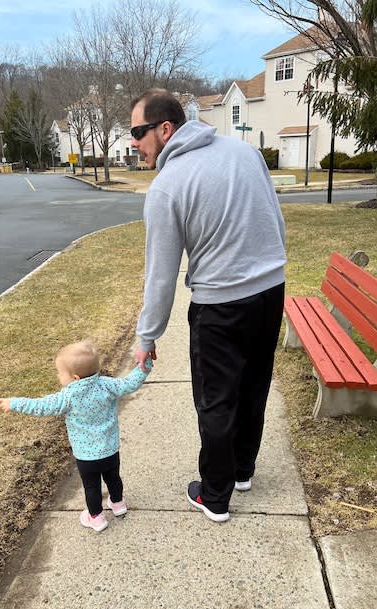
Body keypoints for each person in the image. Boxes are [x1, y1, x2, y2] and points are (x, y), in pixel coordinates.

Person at [131, 88, 286, 523]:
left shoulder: (167, 187)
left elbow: (161, 275)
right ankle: (241, 471)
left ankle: (215, 496)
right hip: (271, 290)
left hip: (220, 306)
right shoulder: (244, 153)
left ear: (165, 129)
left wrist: (147, 337)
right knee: (254, 385)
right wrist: (270, 270)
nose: (133, 143)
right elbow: (275, 220)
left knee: (216, 402)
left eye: (138, 132)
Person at [0, 341, 151, 533]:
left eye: (60, 373)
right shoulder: (107, 385)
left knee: (92, 487)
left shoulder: (68, 396)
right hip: (110, 449)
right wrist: (146, 363)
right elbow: (130, 383)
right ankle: (118, 504)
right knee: (113, 478)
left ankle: (96, 517)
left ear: (75, 378)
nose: (58, 376)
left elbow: (41, 406)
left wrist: (14, 403)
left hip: (86, 456)